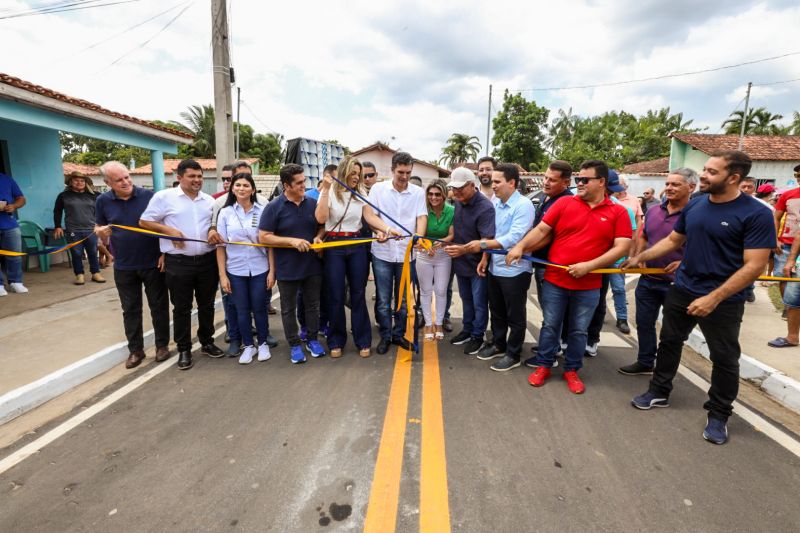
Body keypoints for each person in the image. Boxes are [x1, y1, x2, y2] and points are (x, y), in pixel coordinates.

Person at [623, 150, 774, 445]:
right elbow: (673, 240)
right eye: (704, 169)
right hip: (683, 288)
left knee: (724, 357)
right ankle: (659, 391)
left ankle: (718, 414)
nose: (703, 175)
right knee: (669, 341)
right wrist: (640, 257)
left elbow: (754, 265)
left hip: (724, 299)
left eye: (712, 172)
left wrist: (714, 298)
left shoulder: (756, 214)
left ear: (733, 178)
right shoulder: (696, 205)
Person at [507, 160, 633, 394]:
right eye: (578, 180)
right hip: (556, 280)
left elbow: (622, 247)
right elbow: (541, 230)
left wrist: (589, 266)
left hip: (589, 285)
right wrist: (521, 247)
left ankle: (572, 370)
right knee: (550, 325)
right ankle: (544, 365)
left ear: (602, 182)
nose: (580, 184)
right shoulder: (565, 203)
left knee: (578, 330)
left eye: (585, 180)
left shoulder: (618, 212)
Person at [140, 159, 224, 370]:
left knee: (207, 305)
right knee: (182, 308)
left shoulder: (209, 201)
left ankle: (207, 342)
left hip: (207, 261)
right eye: (192, 176)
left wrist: (213, 232)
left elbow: (212, 225)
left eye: (199, 177)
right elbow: (144, 221)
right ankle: (184, 348)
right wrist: (169, 231)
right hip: (178, 263)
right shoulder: (164, 197)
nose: (197, 180)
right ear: (179, 178)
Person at [617, 168, 697, 375]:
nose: (669, 188)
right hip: (648, 280)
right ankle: (645, 362)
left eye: (675, 184)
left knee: (671, 334)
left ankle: (663, 374)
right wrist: (639, 256)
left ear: (692, 187)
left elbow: (707, 246)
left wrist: (685, 261)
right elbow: (644, 236)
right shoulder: (654, 210)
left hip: (678, 284)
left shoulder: (697, 215)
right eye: (668, 184)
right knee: (643, 323)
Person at [315, 156, 396, 358]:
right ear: (344, 172)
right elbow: (321, 219)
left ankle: (363, 340)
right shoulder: (330, 191)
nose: (356, 177)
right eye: (353, 173)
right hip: (335, 245)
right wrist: (325, 190)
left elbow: (368, 217)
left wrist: (386, 229)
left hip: (357, 244)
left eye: (358, 174)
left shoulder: (360, 191)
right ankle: (336, 340)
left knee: (359, 293)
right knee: (335, 294)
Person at [94, 161, 170, 369]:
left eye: (127, 177)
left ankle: (162, 346)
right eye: (119, 180)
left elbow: (164, 226)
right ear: (107, 182)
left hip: (153, 262)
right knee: (130, 309)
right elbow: (98, 225)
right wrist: (100, 231)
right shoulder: (102, 200)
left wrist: (164, 253)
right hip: (124, 266)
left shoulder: (150, 196)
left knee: (159, 306)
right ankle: (135, 351)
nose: (126, 182)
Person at [258, 164, 326, 364]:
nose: (303, 185)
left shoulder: (312, 203)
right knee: (288, 309)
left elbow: (322, 227)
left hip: (312, 266)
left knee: (313, 305)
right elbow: (264, 237)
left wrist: (318, 238)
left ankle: (312, 340)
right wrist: (291, 241)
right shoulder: (273, 207)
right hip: (287, 267)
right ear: (286, 185)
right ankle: (294, 344)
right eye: (298, 183)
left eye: (304, 181)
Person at [470, 164, 534, 371]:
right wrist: (485, 259)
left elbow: (514, 237)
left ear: (512, 183)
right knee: (496, 310)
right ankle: (499, 343)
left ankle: (513, 353)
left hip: (515, 270)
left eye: (498, 181)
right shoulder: (495, 202)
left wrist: (481, 245)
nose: (493, 185)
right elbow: (492, 233)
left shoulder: (523, 205)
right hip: (495, 268)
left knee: (515, 314)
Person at [368, 152, 427, 354]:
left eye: (408, 172)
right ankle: (385, 336)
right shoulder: (378, 189)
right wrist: (382, 230)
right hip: (382, 253)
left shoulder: (418, 192)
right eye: (400, 172)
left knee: (402, 300)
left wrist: (419, 237)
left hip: (406, 255)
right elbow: (369, 215)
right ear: (392, 170)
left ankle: (399, 334)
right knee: (383, 300)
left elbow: (421, 218)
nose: (404, 176)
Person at [216, 172, 275, 365]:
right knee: (241, 309)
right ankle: (248, 345)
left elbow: (270, 243)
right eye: (238, 185)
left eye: (245, 185)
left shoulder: (263, 209)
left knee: (259, 307)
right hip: (235, 270)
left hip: (260, 269)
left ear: (253, 189)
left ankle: (263, 342)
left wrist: (272, 271)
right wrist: (223, 276)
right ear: (232, 188)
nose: (241, 189)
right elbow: (221, 246)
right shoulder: (225, 213)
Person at [444, 168, 496, 355]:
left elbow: (487, 238)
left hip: (478, 264)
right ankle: (467, 330)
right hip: (461, 260)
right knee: (466, 299)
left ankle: (477, 335)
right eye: (454, 188)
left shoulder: (485, 207)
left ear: (472, 185)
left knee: (479, 302)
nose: (456, 192)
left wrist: (484, 260)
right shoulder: (458, 202)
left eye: (460, 188)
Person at [416, 180, 454, 341]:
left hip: (443, 255)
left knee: (440, 290)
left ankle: (438, 323)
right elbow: (418, 234)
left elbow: (452, 234)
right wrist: (424, 245)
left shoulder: (452, 210)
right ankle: (428, 324)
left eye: (438, 194)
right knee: (425, 291)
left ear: (444, 195)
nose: (434, 197)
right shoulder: (422, 210)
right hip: (424, 255)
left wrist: (443, 241)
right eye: (430, 194)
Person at [54, 171, 105, 285]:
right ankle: (79, 275)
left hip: (91, 229)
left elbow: (103, 209)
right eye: (76, 180)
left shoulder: (94, 195)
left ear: (86, 182)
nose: (79, 182)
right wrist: (58, 226)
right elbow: (57, 211)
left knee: (93, 252)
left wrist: (102, 224)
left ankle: (95, 273)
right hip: (73, 230)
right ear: (70, 182)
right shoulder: (64, 196)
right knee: (76, 253)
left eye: (82, 181)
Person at [0, 171, 28, 296]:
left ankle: (16, 282)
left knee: (15, 254)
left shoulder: (7, 179)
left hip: (9, 223)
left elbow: (21, 198)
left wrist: (14, 206)